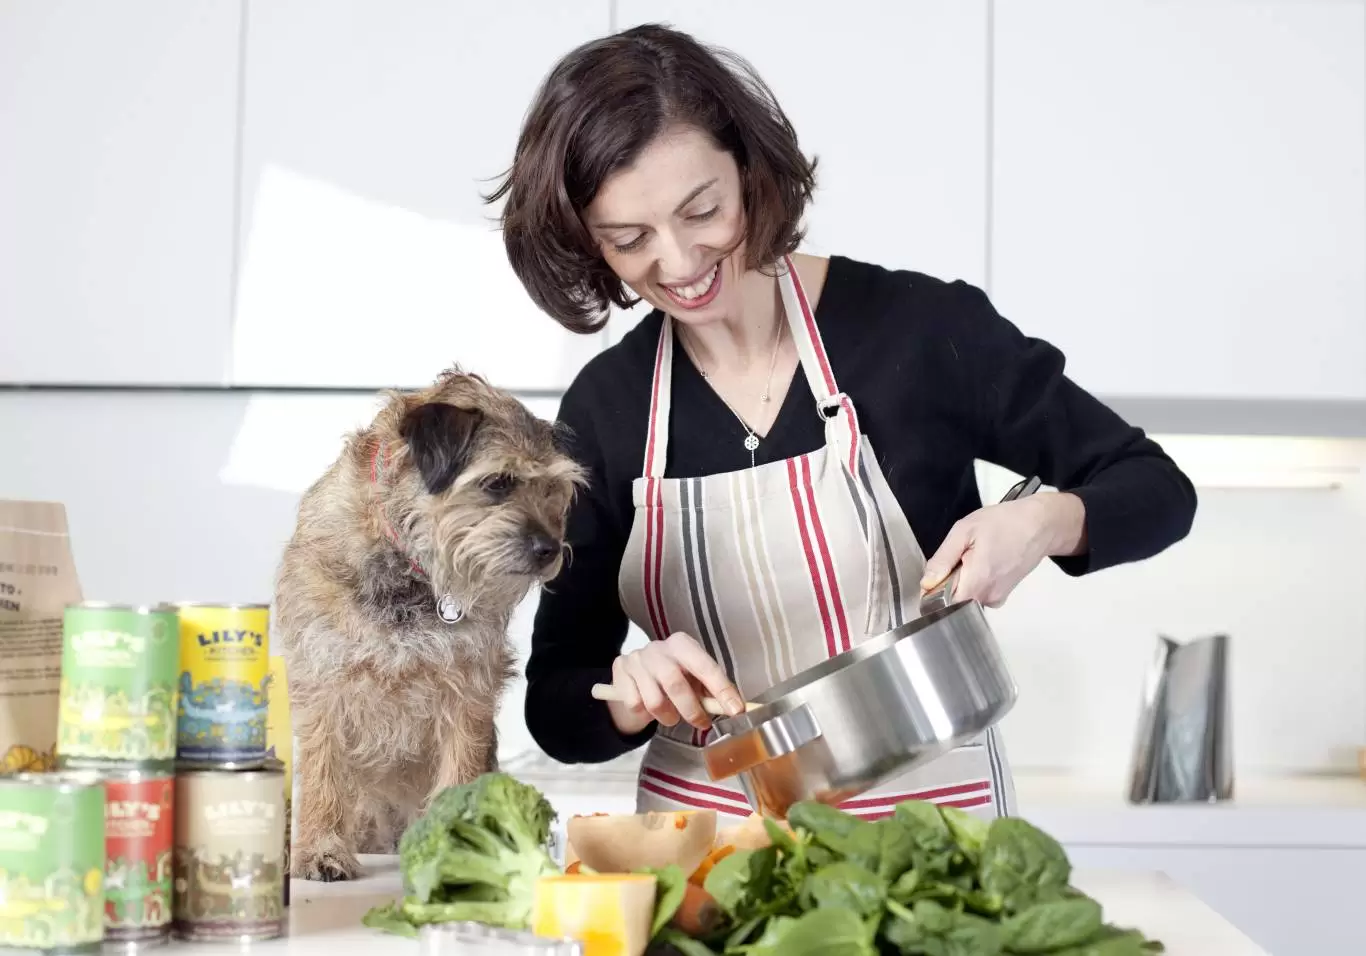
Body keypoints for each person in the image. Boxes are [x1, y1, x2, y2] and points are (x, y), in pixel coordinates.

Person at [488, 24, 1197, 820]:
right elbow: (554, 700)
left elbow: (1159, 490)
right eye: (630, 239)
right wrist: (627, 697)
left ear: (750, 171)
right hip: (714, 862)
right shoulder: (606, 408)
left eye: (703, 211)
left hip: (934, 843)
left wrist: (1044, 521)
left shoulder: (921, 331)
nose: (681, 262)